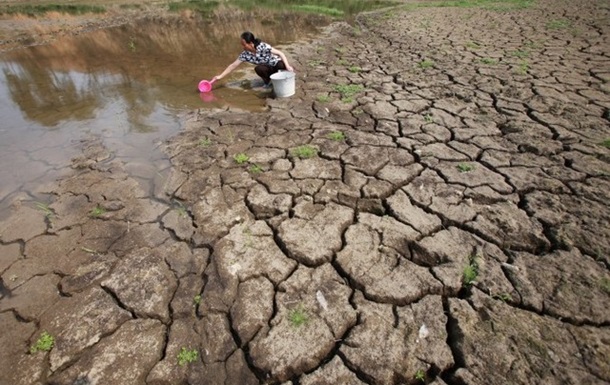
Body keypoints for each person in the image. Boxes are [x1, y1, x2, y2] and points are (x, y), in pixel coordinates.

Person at [212, 31, 294, 89]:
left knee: (281, 65)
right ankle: (267, 82)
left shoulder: (262, 46)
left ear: (251, 43)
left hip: (275, 64)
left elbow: (280, 53)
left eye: (244, 45)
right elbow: (232, 66)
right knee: (258, 69)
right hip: (266, 67)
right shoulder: (245, 54)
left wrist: (288, 66)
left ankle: (282, 78)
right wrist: (220, 76)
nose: (243, 47)